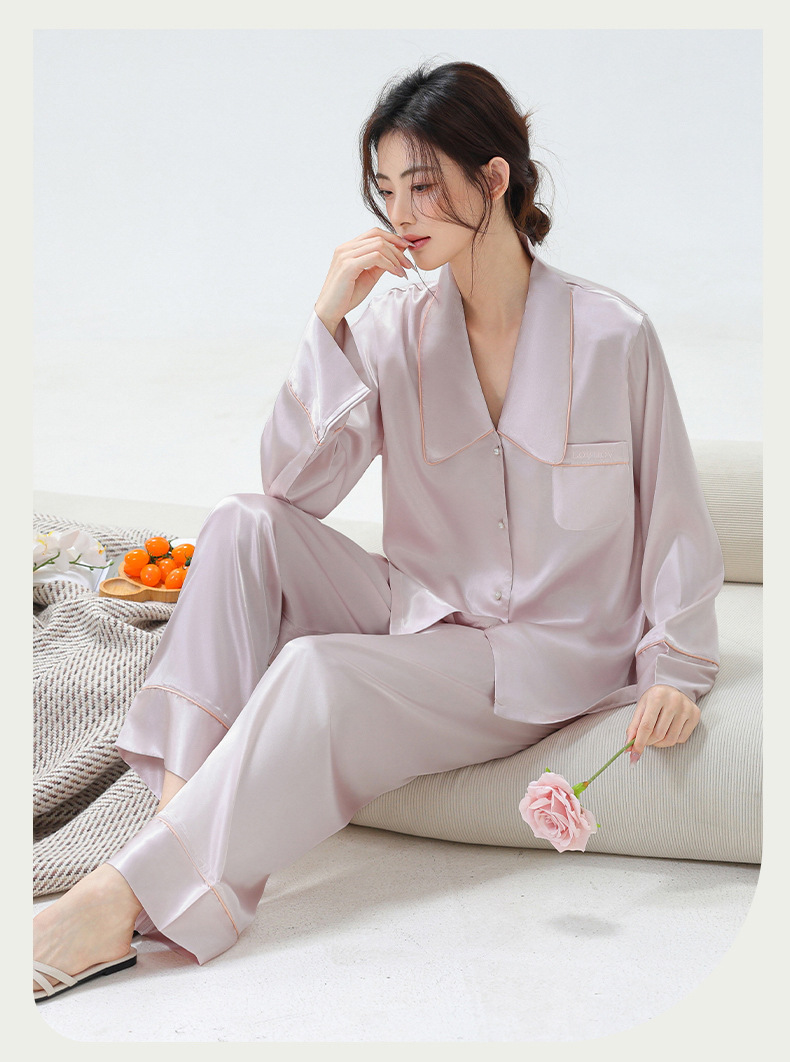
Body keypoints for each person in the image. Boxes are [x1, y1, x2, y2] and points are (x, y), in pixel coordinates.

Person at [33, 59, 724, 1000]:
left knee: (317, 670)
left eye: (423, 185)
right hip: (423, 608)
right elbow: (292, 489)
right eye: (386, 189)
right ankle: (176, 829)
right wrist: (328, 319)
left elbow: (676, 515)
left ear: (495, 177)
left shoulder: (613, 334)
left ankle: (114, 902)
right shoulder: (397, 327)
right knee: (241, 523)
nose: (401, 213)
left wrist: (675, 668)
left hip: (542, 654)